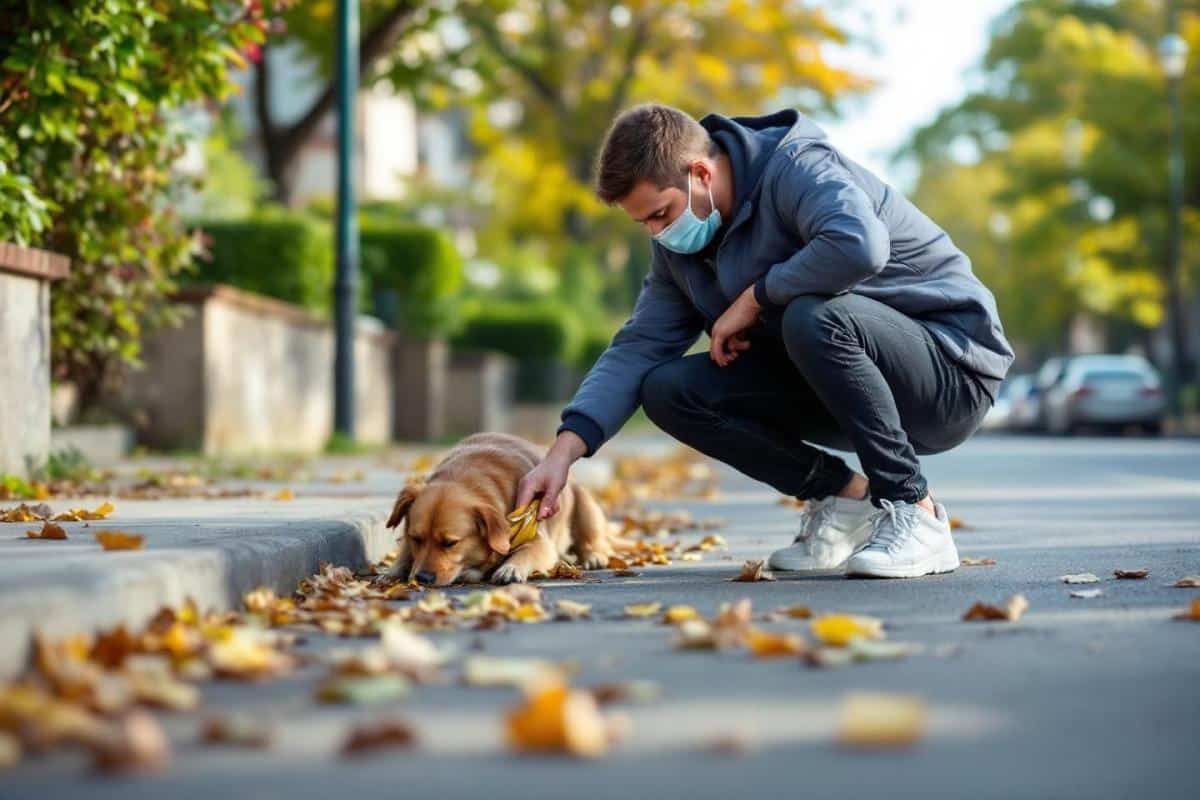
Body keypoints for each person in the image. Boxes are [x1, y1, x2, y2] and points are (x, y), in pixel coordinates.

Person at [515, 103, 1014, 579]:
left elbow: (858, 244)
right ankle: (842, 500)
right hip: (846, 386)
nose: (657, 233)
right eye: (643, 222)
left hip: (949, 372)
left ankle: (914, 511)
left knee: (810, 315)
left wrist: (754, 297)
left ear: (701, 175)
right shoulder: (680, 252)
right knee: (667, 387)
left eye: (662, 214)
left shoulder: (797, 167)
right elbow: (639, 345)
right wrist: (560, 455)